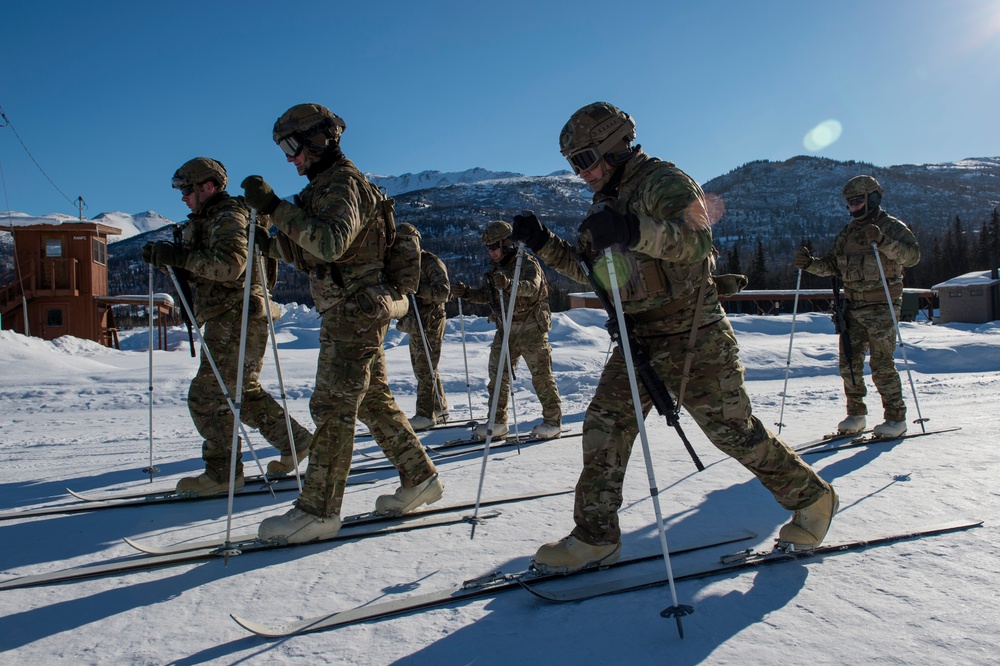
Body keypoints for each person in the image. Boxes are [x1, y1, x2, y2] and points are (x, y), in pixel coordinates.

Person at [510, 102, 837, 573]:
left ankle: (814, 499)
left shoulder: (663, 183)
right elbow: (599, 277)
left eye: (584, 160)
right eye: (572, 164)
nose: (579, 173)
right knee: (605, 426)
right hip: (638, 336)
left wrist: (631, 229)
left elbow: (697, 242)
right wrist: (544, 244)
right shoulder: (607, 198)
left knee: (732, 432)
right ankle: (595, 537)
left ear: (612, 145)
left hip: (692, 335)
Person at [241, 103, 442, 543]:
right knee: (371, 400)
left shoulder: (342, 184)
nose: (290, 158)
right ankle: (420, 477)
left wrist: (275, 207)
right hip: (350, 308)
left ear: (320, 139)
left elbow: (330, 243)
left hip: (355, 310)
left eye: (293, 146)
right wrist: (269, 240)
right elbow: (311, 251)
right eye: (283, 149)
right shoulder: (322, 188)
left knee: (332, 406)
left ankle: (319, 510)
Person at [142, 157, 312, 497]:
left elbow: (231, 267)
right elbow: (203, 270)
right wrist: (167, 260)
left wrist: (178, 258)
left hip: (237, 315)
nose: (182, 197)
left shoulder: (228, 217)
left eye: (186, 189)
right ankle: (296, 442)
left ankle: (223, 474)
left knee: (208, 395)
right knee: (240, 393)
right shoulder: (208, 219)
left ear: (208, 186)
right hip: (231, 315)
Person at [794, 175, 920, 438]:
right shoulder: (848, 233)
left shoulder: (891, 227)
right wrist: (809, 264)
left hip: (882, 306)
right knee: (849, 364)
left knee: (882, 365)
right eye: (849, 203)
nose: (853, 207)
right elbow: (832, 265)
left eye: (857, 201)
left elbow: (912, 257)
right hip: (852, 308)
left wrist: (884, 241)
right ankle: (856, 414)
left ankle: (896, 419)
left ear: (873, 198)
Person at [451, 221, 562, 441]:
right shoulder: (496, 270)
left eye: (494, 246)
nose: (491, 252)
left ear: (507, 243)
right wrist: (467, 293)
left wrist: (510, 283)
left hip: (531, 328)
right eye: (488, 248)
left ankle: (553, 421)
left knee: (541, 376)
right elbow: (487, 295)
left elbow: (532, 287)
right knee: (497, 376)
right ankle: (497, 422)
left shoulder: (527, 263)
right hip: (506, 329)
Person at [395, 224, 452, 431]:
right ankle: (439, 406)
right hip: (415, 320)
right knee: (424, 366)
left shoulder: (429, 262)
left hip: (431, 319)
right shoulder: (403, 265)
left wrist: (418, 289)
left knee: (425, 367)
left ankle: (425, 414)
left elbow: (444, 292)